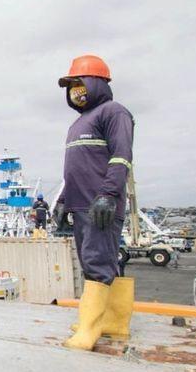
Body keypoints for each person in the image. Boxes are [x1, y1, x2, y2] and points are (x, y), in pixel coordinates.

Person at [53, 54, 136, 351]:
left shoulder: (114, 113)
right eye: (71, 85)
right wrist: (63, 201)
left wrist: (108, 194)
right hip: (80, 204)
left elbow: (121, 157)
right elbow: (74, 170)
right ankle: (110, 321)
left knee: (98, 261)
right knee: (93, 261)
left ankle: (89, 329)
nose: (75, 90)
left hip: (100, 204)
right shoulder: (77, 124)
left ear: (96, 83)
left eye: (79, 83)